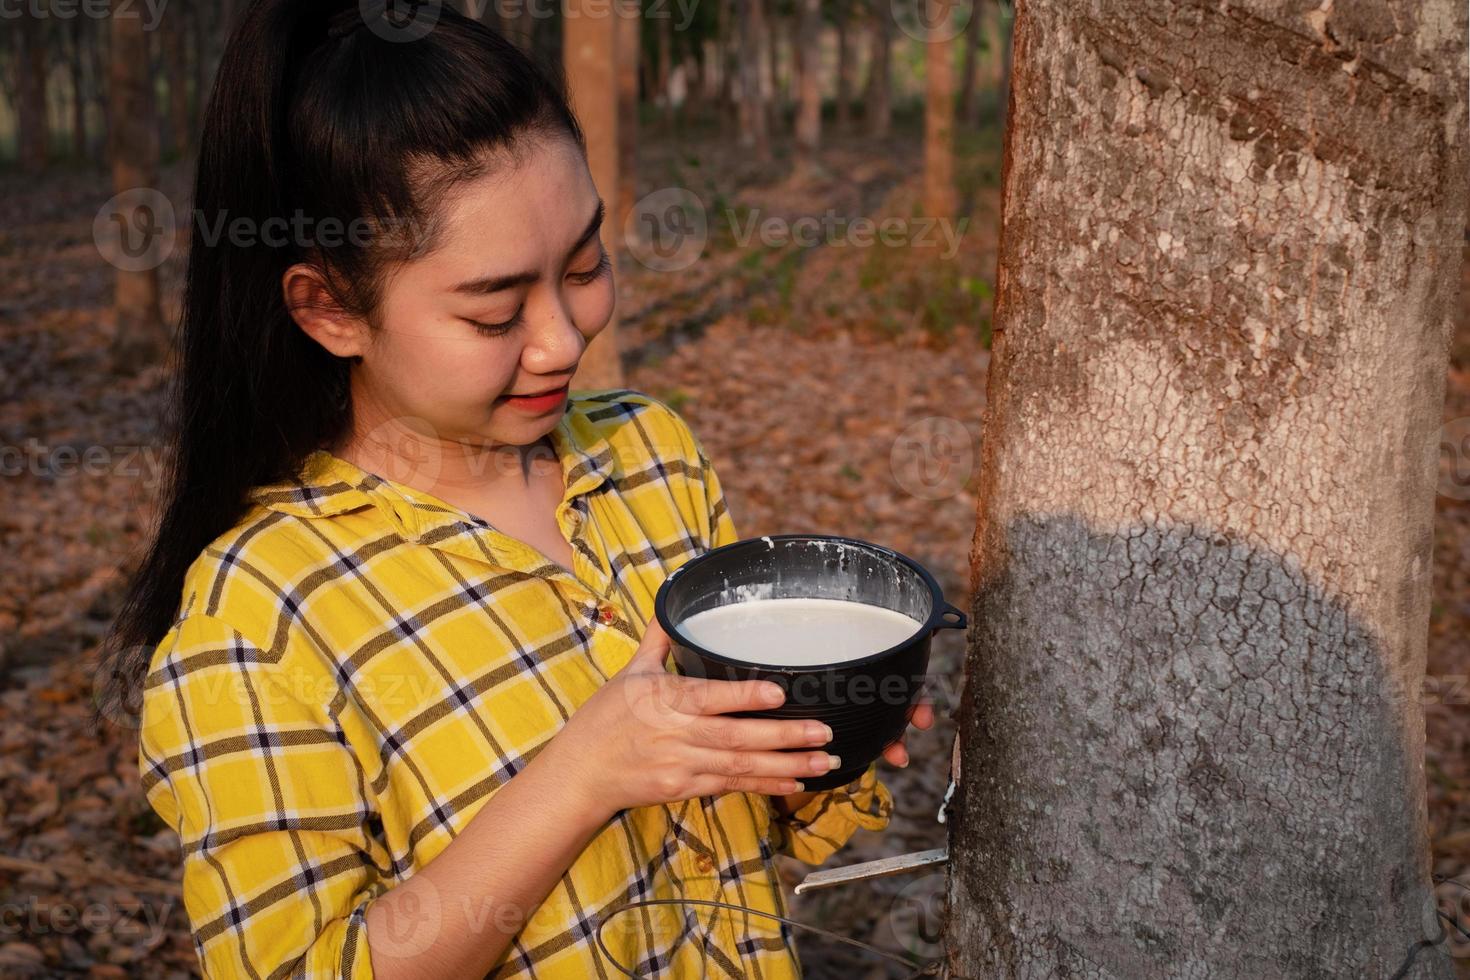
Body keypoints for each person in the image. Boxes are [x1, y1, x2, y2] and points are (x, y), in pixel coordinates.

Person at [97, 1, 931, 976]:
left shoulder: (647, 453)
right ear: (328, 308)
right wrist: (582, 773)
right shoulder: (262, 613)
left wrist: (809, 740)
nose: (565, 339)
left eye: (585, 264)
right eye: (495, 312)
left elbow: (730, 843)